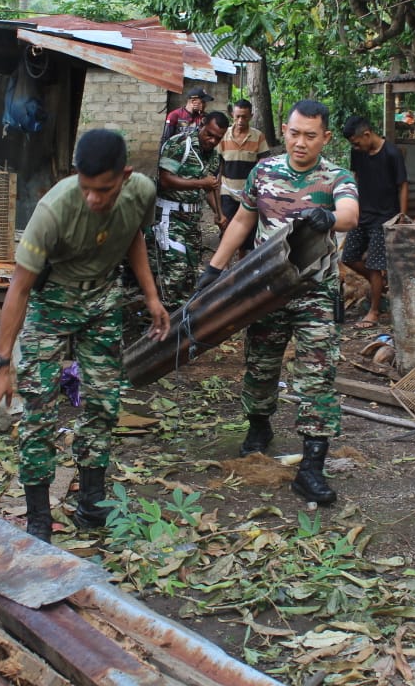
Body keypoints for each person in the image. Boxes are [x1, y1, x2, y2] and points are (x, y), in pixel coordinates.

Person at [0, 130, 170, 543]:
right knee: (39, 410)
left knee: (104, 402)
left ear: (125, 176)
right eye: (86, 188)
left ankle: (91, 502)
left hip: (103, 300)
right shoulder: (53, 211)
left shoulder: (141, 192)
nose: (93, 199)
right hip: (52, 306)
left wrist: (152, 297)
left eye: (103, 190)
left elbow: (132, 236)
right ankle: (37, 517)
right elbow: (19, 289)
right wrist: (1, 366)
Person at [198, 100, 358, 505]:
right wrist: (213, 272)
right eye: (294, 133)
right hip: (266, 291)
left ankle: (312, 467)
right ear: (284, 131)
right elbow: (242, 221)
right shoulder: (264, 171)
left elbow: (350, 214)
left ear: (325, 138)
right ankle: (259, 425)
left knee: (316, 376)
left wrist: (329, 219)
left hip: (316, 294)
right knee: (261, 365)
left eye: (309, 135)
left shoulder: (336, 176)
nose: (300, 142)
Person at [151, 110, 228, 309]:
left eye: (217, 138)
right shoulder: (180, 144)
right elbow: (165, 179)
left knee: (191, 273)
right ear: (201, 124)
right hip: (170, 217)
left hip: (192, 221)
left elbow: (210, 188)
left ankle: (183, 321)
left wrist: (220, 215)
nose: (212, 140)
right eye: (209, 134)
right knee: (176, 271)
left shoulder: (213, 156)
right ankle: (166, 323)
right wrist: (200, 182)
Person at [341, 115, 408, 329]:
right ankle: (377, 282)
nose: (356, 147)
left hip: (385, 218)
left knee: (375, 264)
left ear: (367, 134)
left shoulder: (392, 153)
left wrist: (402, 216)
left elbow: (402, 185)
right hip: (362, 214)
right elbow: (356, 177)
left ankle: (374, 311)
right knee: (349, 257)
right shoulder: (357, 153)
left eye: (357, 142)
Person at [217, 99, 267, 255]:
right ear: (232, 114)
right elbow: (217, 166)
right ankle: (223, 269)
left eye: (244, 117)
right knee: (226, 228)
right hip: (228, 191)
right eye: (237, 116)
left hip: (249, 193)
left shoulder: (258, 137)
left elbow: (264, 165)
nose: (240, 120)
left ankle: (242, 266)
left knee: (247, 233)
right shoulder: (223, 136)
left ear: (251, 116)